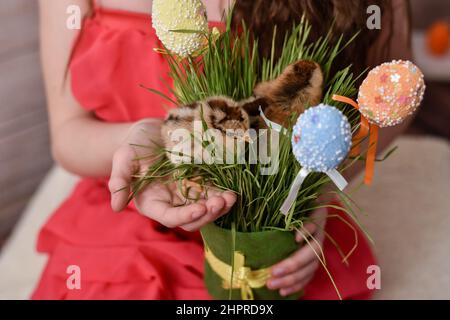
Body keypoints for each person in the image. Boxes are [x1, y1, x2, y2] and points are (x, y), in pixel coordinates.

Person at [33, 0, 412, 299]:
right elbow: (67, 133)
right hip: (131, 214)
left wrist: (315, 187)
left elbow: (387, 108)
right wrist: (156, 141)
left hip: (276, 219)